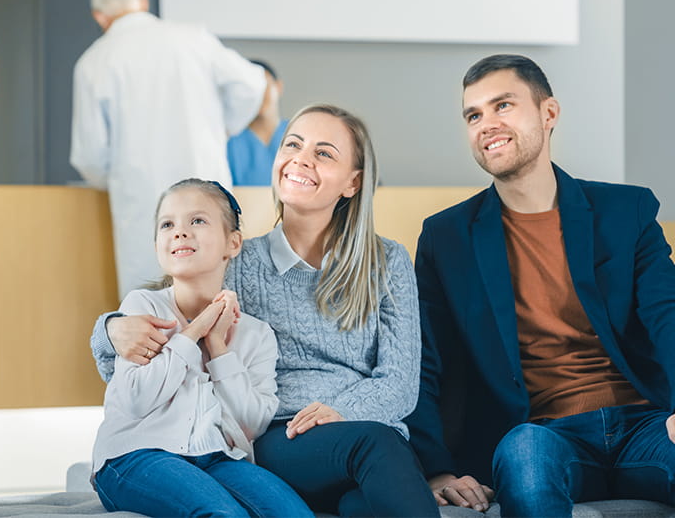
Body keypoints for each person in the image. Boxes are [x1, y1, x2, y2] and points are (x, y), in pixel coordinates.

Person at [92, 105, 440, 516]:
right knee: (375, 445)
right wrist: (111, 328)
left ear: (354, 182)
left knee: (364, 500)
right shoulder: (238, 262)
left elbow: (400, 382)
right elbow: (167, 305)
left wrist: (342, 412)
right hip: (280, 435)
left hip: (363, 442)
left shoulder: (387, 262)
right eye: (292, 144)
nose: (301, 159)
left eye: (324, 153)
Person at [405, 54, 675, 516]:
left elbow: (666, 313)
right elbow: (424, 362)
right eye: (474, 115)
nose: (486, 124)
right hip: (543, 433)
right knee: (525, 457)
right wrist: (435, 467)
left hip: (645, 422)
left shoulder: (625, 211)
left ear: (548, 113)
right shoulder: (445, 238)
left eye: (503, 105)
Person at [91, 178, 312, 518]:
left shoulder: (257, 334)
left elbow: (251, 423)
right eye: (167, 224)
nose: (179, 232)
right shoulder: (142, 306)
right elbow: (137, 400)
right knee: (223, 515)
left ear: (233, 242)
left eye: (197, 220)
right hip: (135, 455)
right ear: (157, 245)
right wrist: (193, 333)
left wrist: (218, 346)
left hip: (218, 458)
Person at [70, 0, 267, 297]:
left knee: (149, 313)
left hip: (142, 203)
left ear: (100, 17)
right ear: (144, 3)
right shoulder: (193, 38)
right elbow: (253, 84)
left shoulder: (95, 61)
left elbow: (89, 157)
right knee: (219, 300)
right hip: (208, 187)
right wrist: (224, 128)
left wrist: (117, 178)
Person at [227, 60, 288, 186]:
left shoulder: (298, 134)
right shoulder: (230, 140)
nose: (258, 94)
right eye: (251, 88)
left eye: (264, 85)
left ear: (279, 87)